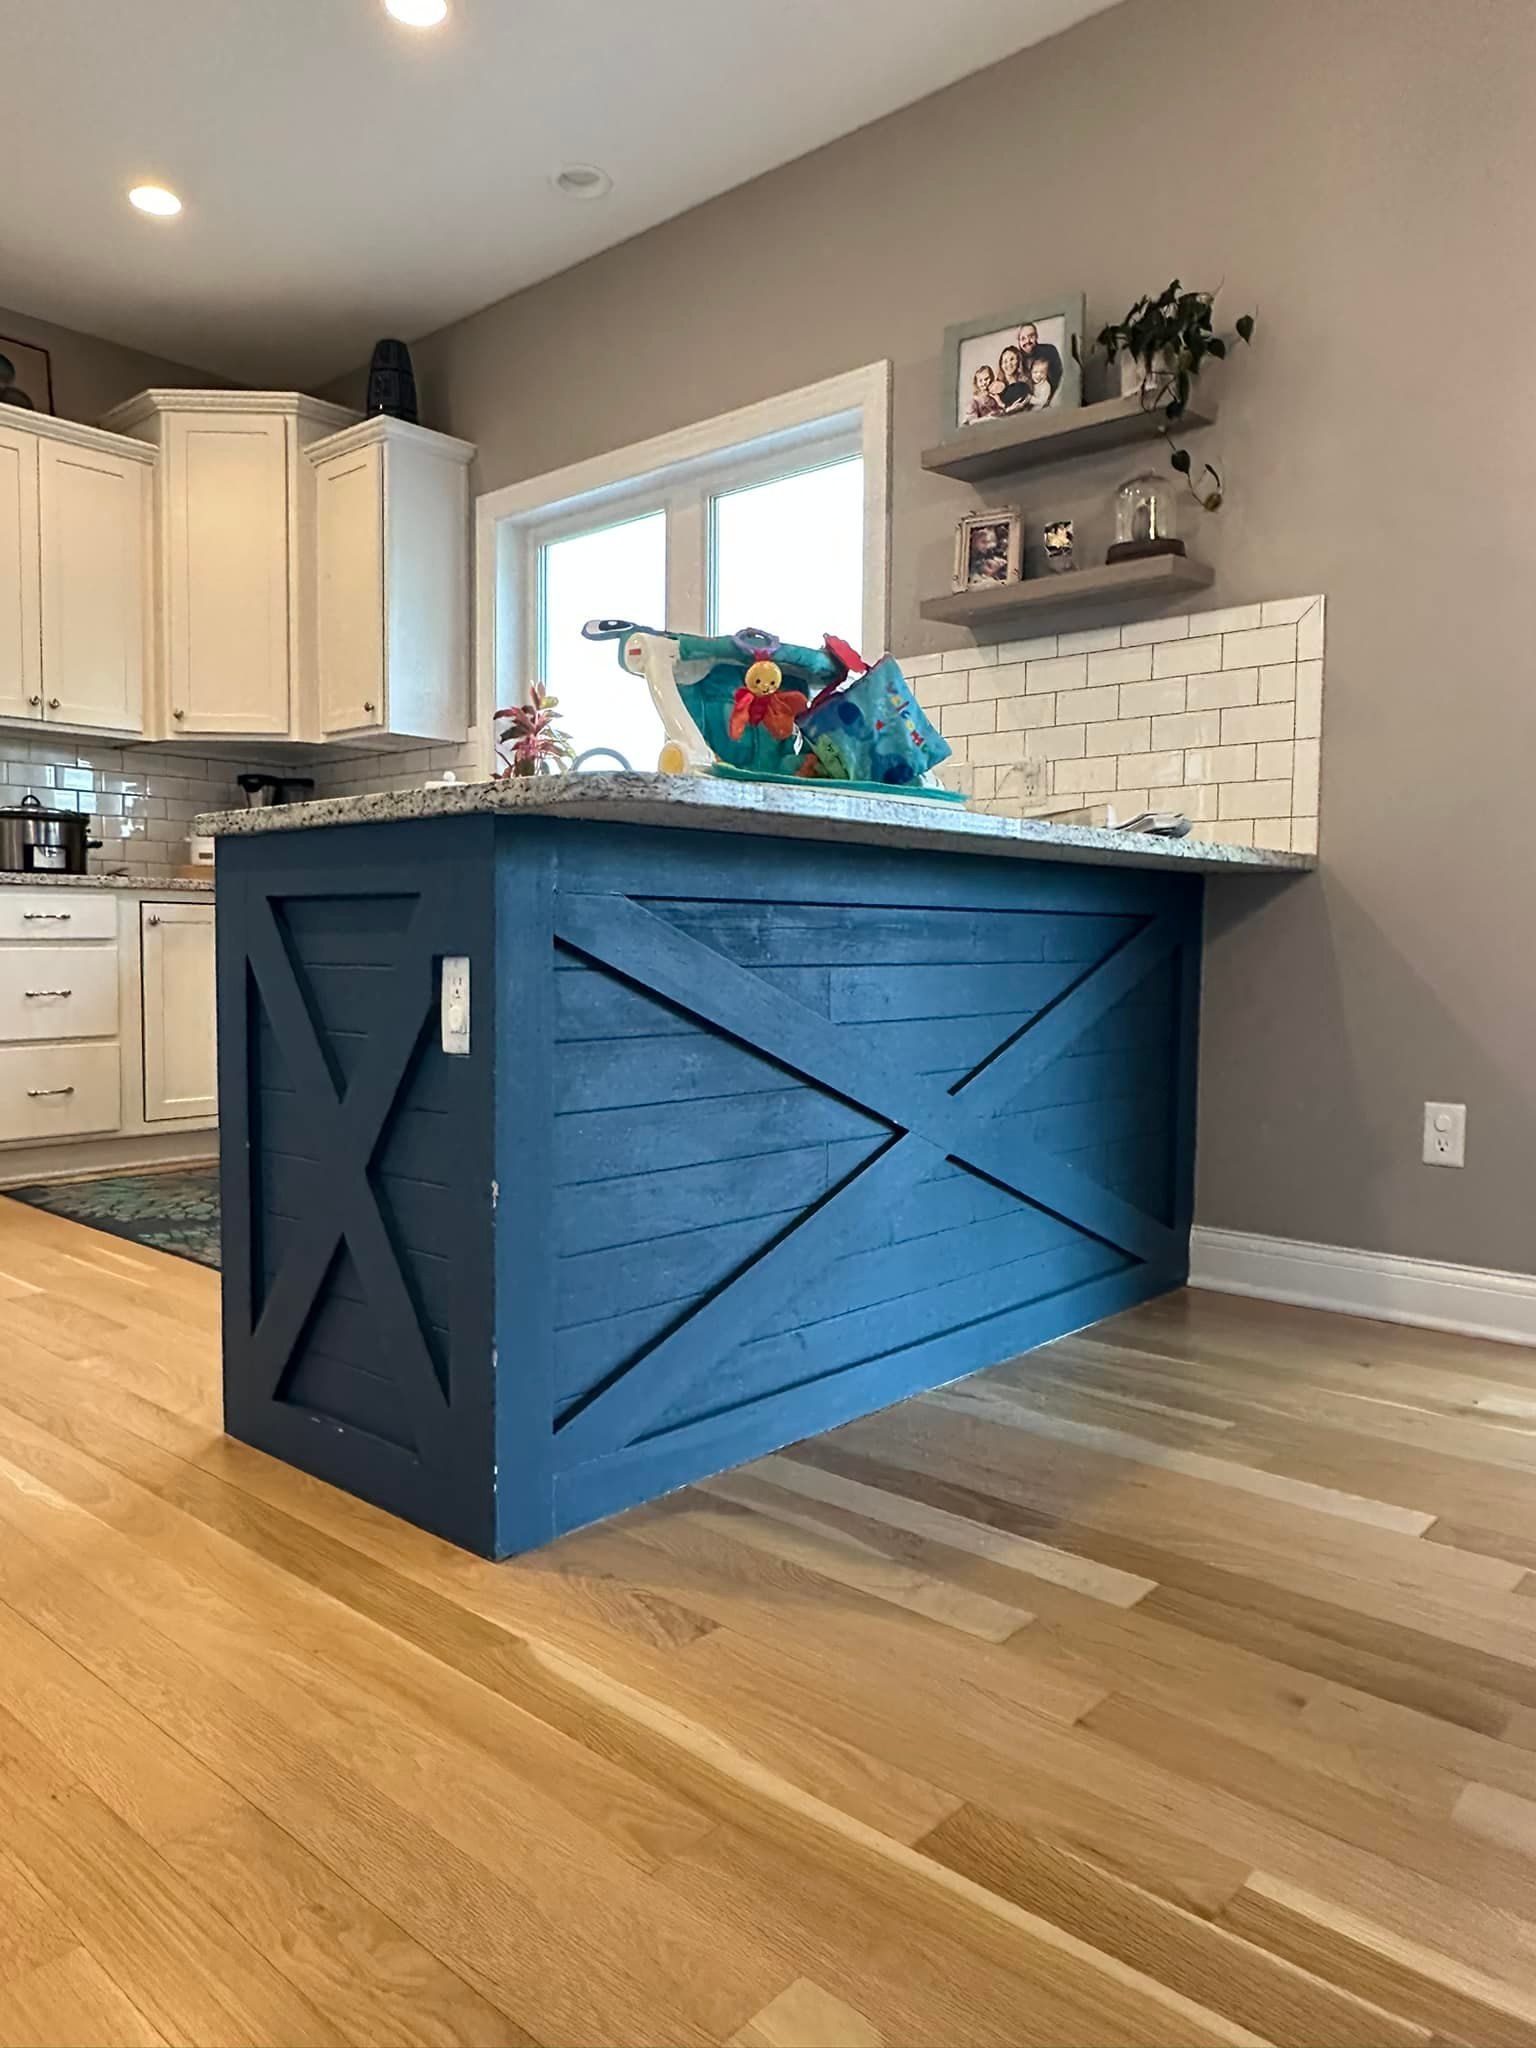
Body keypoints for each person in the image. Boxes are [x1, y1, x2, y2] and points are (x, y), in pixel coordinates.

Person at [1015, 321, 1063, 402]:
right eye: (1023, 338)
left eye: (1031, 336)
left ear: (1037, 336)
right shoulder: (1016, 358)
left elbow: (1060, 377)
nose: (1027, 341)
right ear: (1019, 341)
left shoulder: (1049, 351)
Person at [996, 344, 1029, 411]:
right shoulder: (996, 387)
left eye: (1012, 359)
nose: (1008, 364)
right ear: (1001, 365)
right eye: (1005, 361)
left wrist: (1002, 405)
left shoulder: (1023, 387)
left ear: (1018, 361)